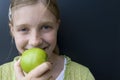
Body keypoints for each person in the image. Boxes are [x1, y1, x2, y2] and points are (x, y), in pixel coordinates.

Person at [0, 0, 95, 80]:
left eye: (45, 27)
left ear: (57, 26)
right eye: (24, 29)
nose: (35, 42)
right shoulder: (2, 75)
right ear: (12, 30)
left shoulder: (82, 75)